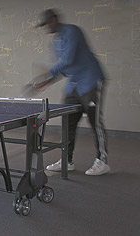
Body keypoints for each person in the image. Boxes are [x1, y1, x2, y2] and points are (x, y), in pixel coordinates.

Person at [35, 9, 110, 176]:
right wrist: (48, 80)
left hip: (91, 80)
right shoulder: (55, 42)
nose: (46, 27)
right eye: (43, 25)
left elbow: (68, 59)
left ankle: (102, 161)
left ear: (54, 19)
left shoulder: (72, 31)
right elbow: (63, 68)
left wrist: (49, 72)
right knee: (67, 122)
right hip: (73, 86)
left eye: (47, 23)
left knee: (95, 121)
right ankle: (66, 159)